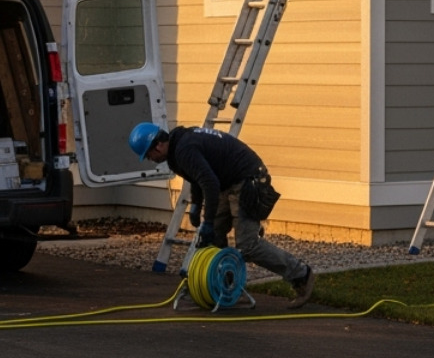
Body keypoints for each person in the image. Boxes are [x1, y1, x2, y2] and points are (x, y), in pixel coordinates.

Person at [129, 121, 316, 307]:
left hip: (247, 179)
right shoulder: (177, 149)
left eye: (148, 154)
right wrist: (196, 205)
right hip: (229, 181)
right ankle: (226, 288)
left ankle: (301, 275)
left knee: (248, 245)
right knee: (213, 237)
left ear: (158, 145)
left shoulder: (184, 149)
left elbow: (210, 183)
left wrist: (208, 221)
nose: (150, 159)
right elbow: (197, 177)